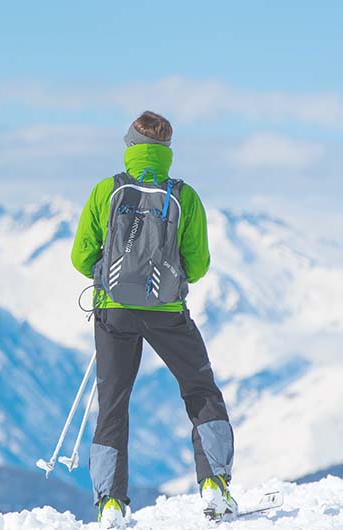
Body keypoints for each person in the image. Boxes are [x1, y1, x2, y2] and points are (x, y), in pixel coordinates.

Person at [71, 111, 236, 528]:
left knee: (113, 403)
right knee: (199, 389)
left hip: (114, 311)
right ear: (168, 150)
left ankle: (110, 503)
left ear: (129, 146)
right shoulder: (184, 195)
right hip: (167, 312)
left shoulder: (106, 191)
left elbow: (80, 256)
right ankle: (214, 483)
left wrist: (109, 276)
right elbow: (198, 265)